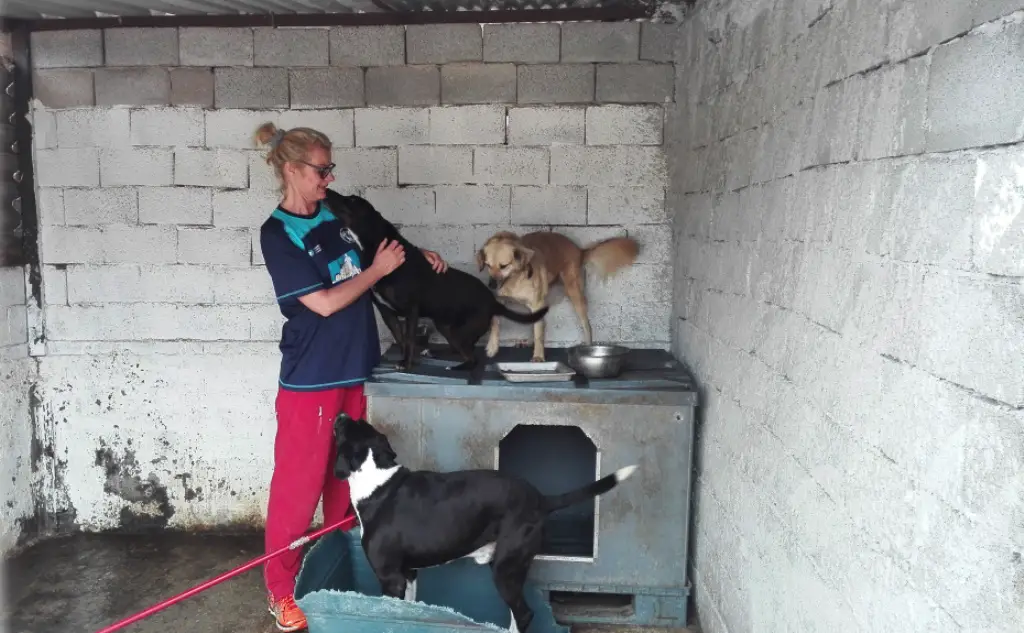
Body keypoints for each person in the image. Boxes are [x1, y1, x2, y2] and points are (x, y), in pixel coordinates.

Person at [253, 121, 448, 632]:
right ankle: (281, 591)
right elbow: (323, 302)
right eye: (321, 170)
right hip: (312, 380)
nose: (329, 178)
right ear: (291, 169)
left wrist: (413, 261)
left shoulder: (334, 215)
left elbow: (373, 256)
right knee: (298, 491)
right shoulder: (278, 234)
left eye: (330, 169)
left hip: (354, 370)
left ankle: (337, 574)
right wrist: (378, 271)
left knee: (348, 486)